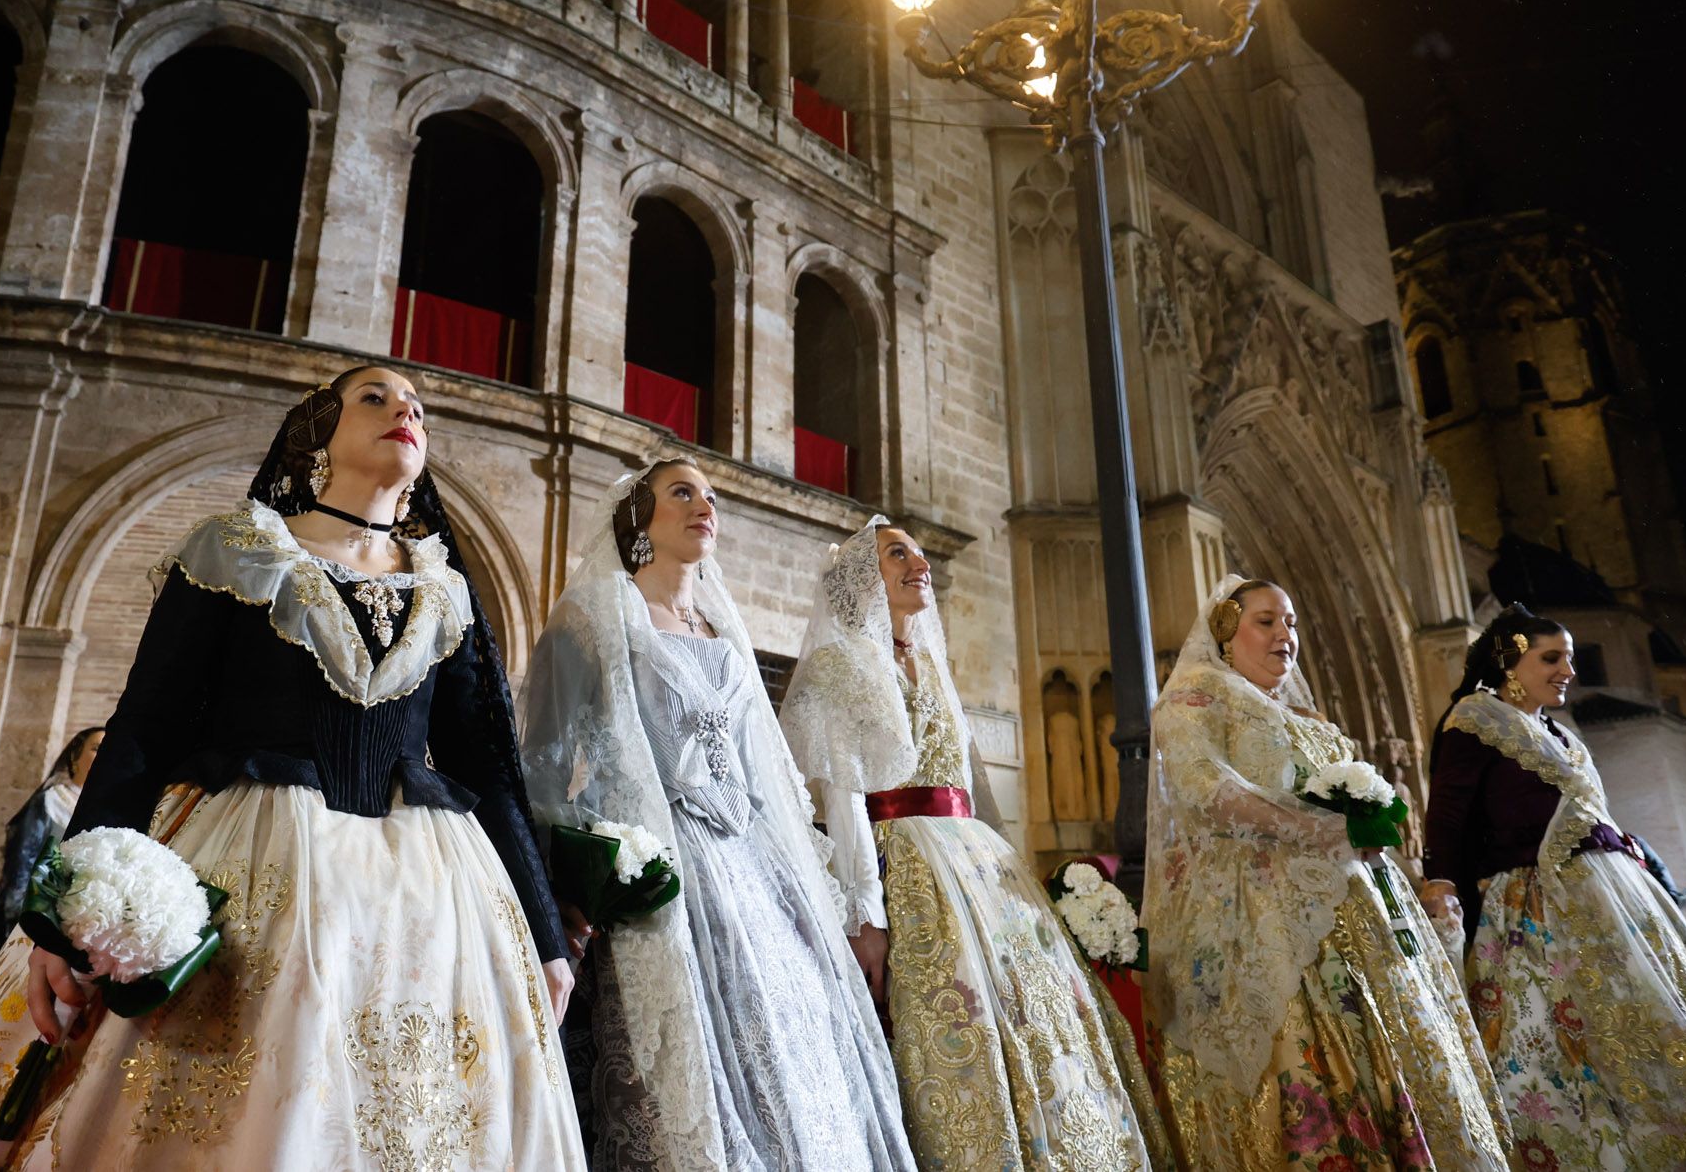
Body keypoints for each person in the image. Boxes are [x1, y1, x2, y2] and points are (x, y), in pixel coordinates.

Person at [0, 366, 583, 1170]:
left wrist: (544, 932)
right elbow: (146, 727)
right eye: (375, 399)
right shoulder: (237, 550)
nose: (405, 412)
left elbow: (487, 765)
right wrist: (62, 915)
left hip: (429, 899)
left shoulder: (446, 588)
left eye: (417, 407)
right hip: (252, 863)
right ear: (316, 432)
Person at [521, 461, 915, 1170]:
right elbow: (544, 758)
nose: (705, 506)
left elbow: (758, 764)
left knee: (804, 1043)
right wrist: (587, 859)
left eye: (712, 496)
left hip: (757, 859)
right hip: (671, 861)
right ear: (641, 518)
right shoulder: (596, 612)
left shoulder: (719, 625)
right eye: (682, 492)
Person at [777, 517, 1168, 1170]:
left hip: (977, 863)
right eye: (896, 553)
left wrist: (1010, 870)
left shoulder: (931, 660)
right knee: (954, 1021)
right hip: (901, 859)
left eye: (921, 554)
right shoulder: (838, 662)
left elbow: (970, 780)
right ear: (858, 577)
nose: (918, 564)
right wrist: (863, 914)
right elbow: (842, 795)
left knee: (1038, 1016)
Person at [1146, 576, 1510, 1171]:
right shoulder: (1197, 695)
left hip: (1362, 907)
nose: (1285, 635)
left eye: (1291, 623)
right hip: (1259, 914)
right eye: (1267, 620)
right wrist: (1325, 831)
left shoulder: (1304, 713)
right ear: (1224, 628)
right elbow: (1203, 789)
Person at [1425, 603, 1686, 1168]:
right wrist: (1440, 882)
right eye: (1552, 657)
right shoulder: (1475, 717)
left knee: (1654, 1022)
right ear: (1509, 659)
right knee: (1556, 1039)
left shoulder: (1559, 733)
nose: (1568, 671)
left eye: (1573, 659)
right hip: (1533, 905)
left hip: (1612, 897)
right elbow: (1450, 813)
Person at [0, 726, 104, 968]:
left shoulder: (102, 811)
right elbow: (22, 861)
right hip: (36, 915)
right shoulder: (51, 802)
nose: (104, 756)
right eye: (96, 749)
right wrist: (22, 918)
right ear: (75, 757)